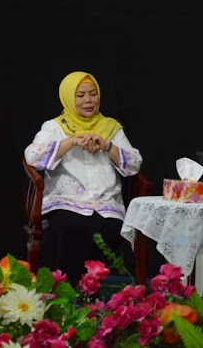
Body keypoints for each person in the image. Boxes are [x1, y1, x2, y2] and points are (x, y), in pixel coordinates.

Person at [24, 71, 143, 285]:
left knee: (109, 227)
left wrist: (106, 145)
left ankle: (90, 292)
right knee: (72, 226)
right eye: (80, 95)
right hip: (66, 202)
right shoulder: (55, 127)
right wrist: (72, 141)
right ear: (68, 98)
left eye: (93, 94)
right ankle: (65, 290)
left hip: (106, 204)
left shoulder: (111, 128)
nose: (88, 100)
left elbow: (134, 163)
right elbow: (33, 156)